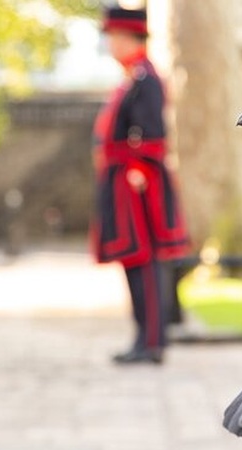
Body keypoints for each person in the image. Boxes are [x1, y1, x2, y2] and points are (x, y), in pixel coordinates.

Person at [91, 6, 189, 365]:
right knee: (134, 261)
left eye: (114, 37)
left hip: (136, 184)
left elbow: (149, 135)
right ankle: (144, 337)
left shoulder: (145, 78)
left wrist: (135, 171)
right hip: (124, 181)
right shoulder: (133, 76)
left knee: (142, 260)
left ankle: (150, 342)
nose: (110, 44)